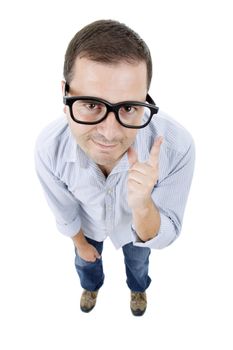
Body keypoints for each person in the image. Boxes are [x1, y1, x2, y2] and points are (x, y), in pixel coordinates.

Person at [34, 19, 195, 316]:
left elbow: (167, 233)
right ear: (65, 94)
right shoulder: (49, 148)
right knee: (85, 263)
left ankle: (138, 290)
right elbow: (64, 210)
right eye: (91, 105)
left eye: (129, 107)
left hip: (135, 230)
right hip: (88, 226)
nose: (109, 133)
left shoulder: (176, 146)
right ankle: (91, 286)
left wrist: (144, 205)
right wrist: (80, 243)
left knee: (138, 265)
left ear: (145, 97)